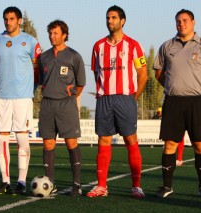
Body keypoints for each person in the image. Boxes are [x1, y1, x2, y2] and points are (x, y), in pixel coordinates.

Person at [153, 9, 201, 198]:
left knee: (199, 144)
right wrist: (172, 86)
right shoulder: (167, 46)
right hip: (173, 102)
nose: (181, 24)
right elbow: (158, 72)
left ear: (193, 22)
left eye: (185, 20)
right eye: (178, 21)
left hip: (196, 102)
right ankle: (167, 187)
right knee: (170, 145)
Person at [86, 5, 148, 199]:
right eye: (107, 18)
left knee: (131, 139)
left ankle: (136, 186)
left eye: (113, 18)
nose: (110, 21)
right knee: (103, 140)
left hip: (125, 98)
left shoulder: (134, 45)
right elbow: (96, 72)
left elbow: (143, 75)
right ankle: (102, 186)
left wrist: (132, 97)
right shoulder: (98, 46)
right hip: (104, 99)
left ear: (122, 21)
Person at [0, 6, 41, 195]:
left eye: (11, 18)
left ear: (19, 20)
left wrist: (33, 89)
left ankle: (21, 181)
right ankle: (5, 181)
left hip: (22, 97)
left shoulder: (30, 41)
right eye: (5, 18)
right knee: (1, 139)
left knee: (22, 138)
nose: (8, 22)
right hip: (1, 96)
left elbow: (37, 68)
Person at [38, 20, 86, 196]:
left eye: (56, 33)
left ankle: (76, 184)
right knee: (48, 143)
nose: (52, 36)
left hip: (67, 105)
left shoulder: (74, 56)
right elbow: (41, 80)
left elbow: (81, 83)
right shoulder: (44, 57)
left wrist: (72, 92)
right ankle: (50, 184)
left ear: (64, 34)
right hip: (47, 104)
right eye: (50, 33)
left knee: (71, 142)